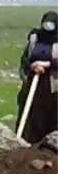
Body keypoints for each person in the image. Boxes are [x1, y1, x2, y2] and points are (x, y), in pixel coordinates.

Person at [16, 11, 58, 143]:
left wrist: (48, 64)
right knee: (31, 118)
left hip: (54, 87)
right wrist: (33, 66)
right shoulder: (35, 37)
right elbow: (25, 59)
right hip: (34, 85)